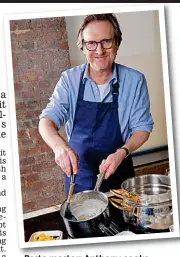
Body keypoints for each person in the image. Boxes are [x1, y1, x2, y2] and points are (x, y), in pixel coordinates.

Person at [39, 13, 154, 197]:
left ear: (116, 42)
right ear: (83, 47)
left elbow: (142, 128)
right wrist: (59, 147)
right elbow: (46, 121)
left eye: (106, 41)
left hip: (120, 175)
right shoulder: (70, 79)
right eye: (91, 43)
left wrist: (122, 152)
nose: (99, 51)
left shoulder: (135, 80)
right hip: (78, 178)